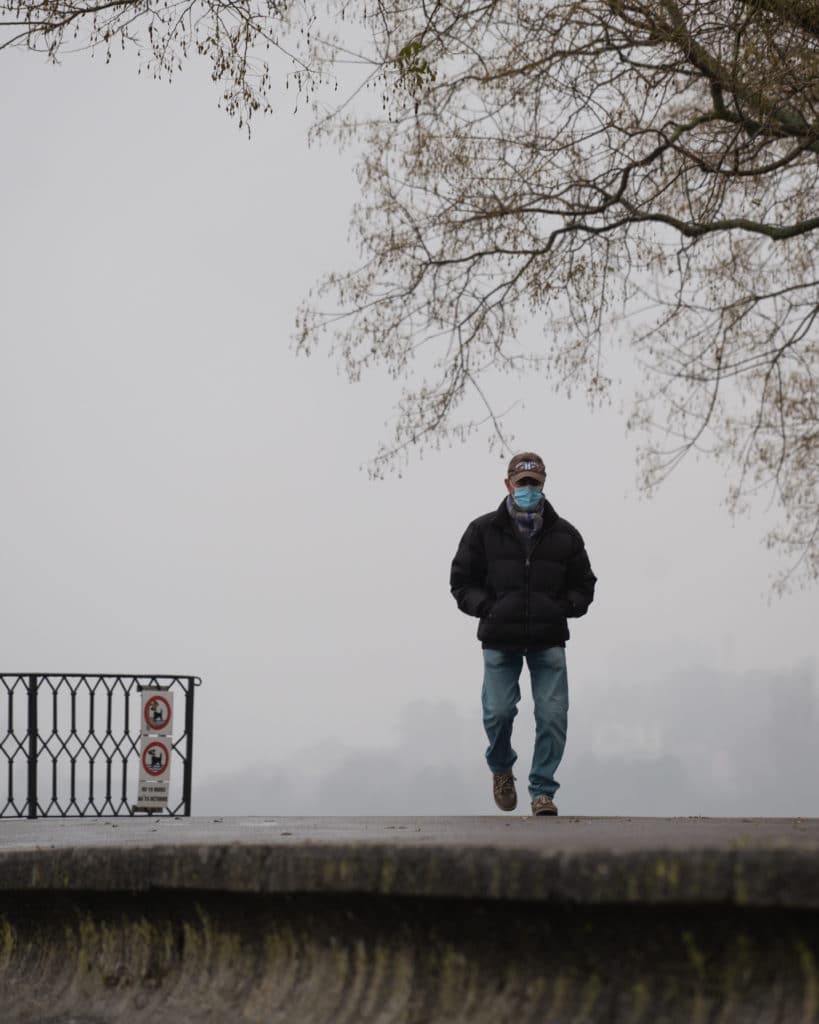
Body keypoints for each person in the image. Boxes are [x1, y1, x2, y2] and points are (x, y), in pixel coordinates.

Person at [450, 452, 596, 816]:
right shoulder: (482, 531)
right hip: (500, 639)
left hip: (548, 640)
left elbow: (584, 584)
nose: (528, 489)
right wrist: (488, 608)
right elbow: (461, 582)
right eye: (522, 483)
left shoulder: (565, 535)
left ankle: (543, 791)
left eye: (535, 483)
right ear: (508, 484)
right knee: (498, 713)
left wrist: (564, 607)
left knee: (552, 715)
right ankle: (501, 769)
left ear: (544, 483)